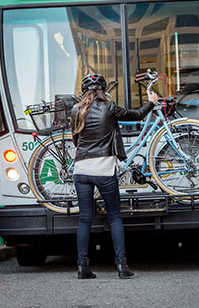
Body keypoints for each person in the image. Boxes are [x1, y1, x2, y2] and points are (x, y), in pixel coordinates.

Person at [72, 73, 158, 279]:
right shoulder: (109, 108)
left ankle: (82, 267)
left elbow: (75, 140)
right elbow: (137, 115)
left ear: (84, 91)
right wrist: (151, 103)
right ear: (103, 89)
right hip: (104, 170)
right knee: (114, 217)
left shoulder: (76, 110)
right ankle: (122, 266)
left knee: (85, 219)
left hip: (81, 170)